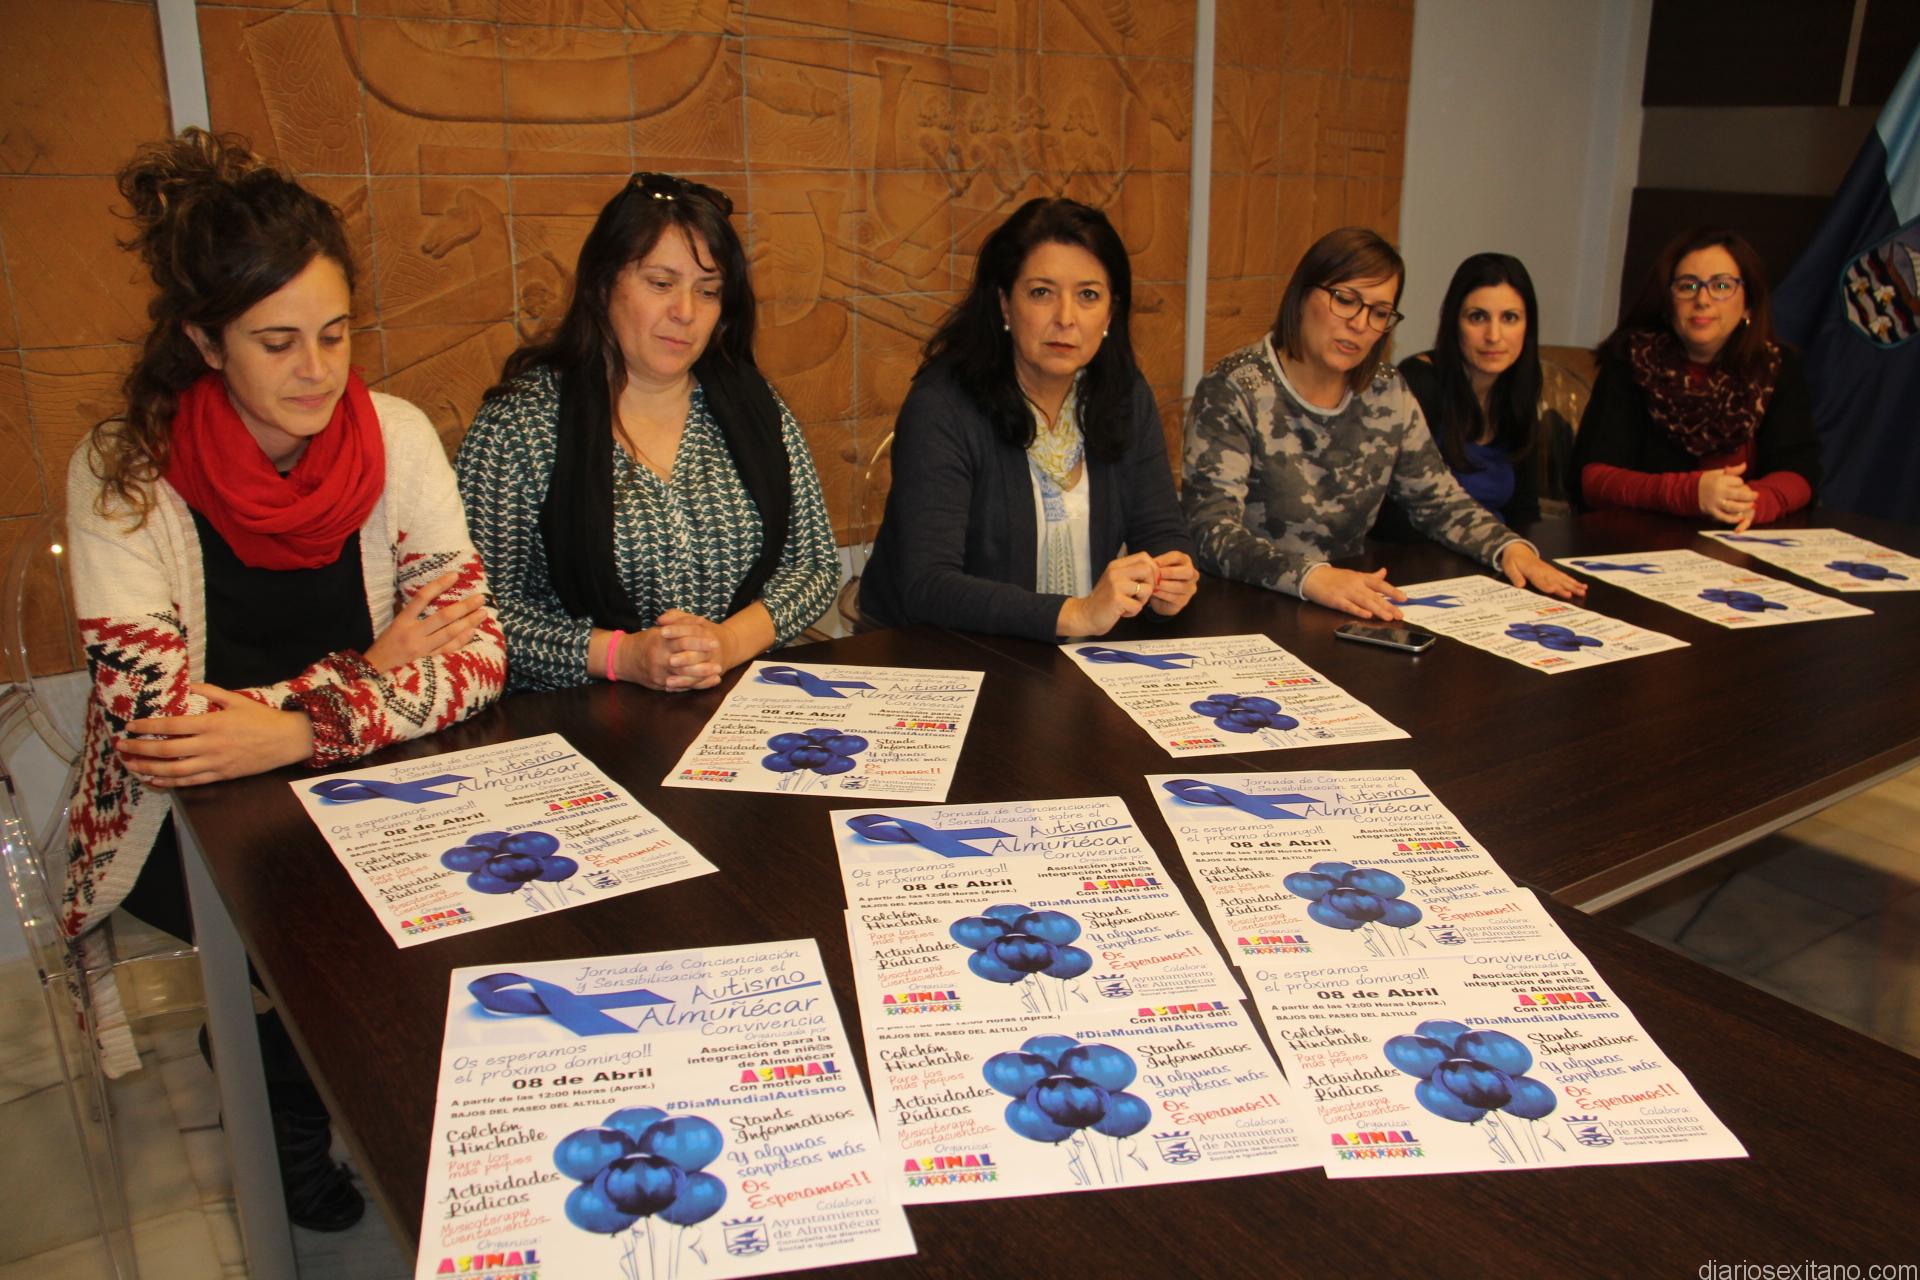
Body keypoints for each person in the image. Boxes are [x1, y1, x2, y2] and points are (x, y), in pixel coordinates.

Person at [65, 129, 507, 1229]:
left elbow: (479, 654)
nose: (317, 370)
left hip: (347, 766)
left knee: (486, 895)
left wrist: (300, 727)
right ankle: (287, 1109)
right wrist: (367, 674)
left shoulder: (394, 437)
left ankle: (342, 1088)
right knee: (322, 940)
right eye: (277, 342)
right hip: (187, 810)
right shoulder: (122, 471)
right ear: (205, 342)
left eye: (335, 333)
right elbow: (159, 729)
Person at [459, 172, 838, 692]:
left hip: (733, 698)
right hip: (575, 712)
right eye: (661, 284)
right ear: (602, 284)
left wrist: (728, 642)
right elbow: (477, 613)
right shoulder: (520, 425)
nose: (685, 313)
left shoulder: (755, 407)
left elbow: (814, 566)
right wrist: (624, 656)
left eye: (708, 292)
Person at [1183, 226, 1584, 621]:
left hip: (1347, 601)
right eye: (1345, 300)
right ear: (1302, 294)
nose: (1360, 324)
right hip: (1246, 607)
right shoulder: (1235, 386)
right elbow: (1210, 530)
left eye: (1379, 313)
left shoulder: (1386, 389)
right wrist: (1312, 577)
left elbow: (1438, 500)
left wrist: (1509, 547)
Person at [859, 196, 1198, 638]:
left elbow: (1162, 533)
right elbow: (928, 585)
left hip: (1077, 655)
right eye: (1041, 293)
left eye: (1088, 295)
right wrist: (1075, 613)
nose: (1065, 318)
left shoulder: (1124, 395)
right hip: (944, 654)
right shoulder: (942, 406)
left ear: (1110, 313)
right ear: (1004, 304)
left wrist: (1170, 583)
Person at [1573, 227, 1819, 530]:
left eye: (1721, 285)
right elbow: (1594, 480)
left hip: (1740, 539)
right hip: (1641, 538)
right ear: (1668, 301)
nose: (1702, 299)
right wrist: (1689, 493)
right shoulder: (1631, 360)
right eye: (1687, 286)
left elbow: (1801, 471)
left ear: (1748, 304)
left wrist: (1752, 502)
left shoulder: (1774, 367)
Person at [1380, 252, 1544, 532]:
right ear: (1453, 321)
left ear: (1527, 326)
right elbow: (1388, 515)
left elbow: (1524, 512)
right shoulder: (1420, 383)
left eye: (1510, 318)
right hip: (1420, 551)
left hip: (1497, 550)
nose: (1493, 336)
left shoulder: (1520, 389)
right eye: (1477, 317)